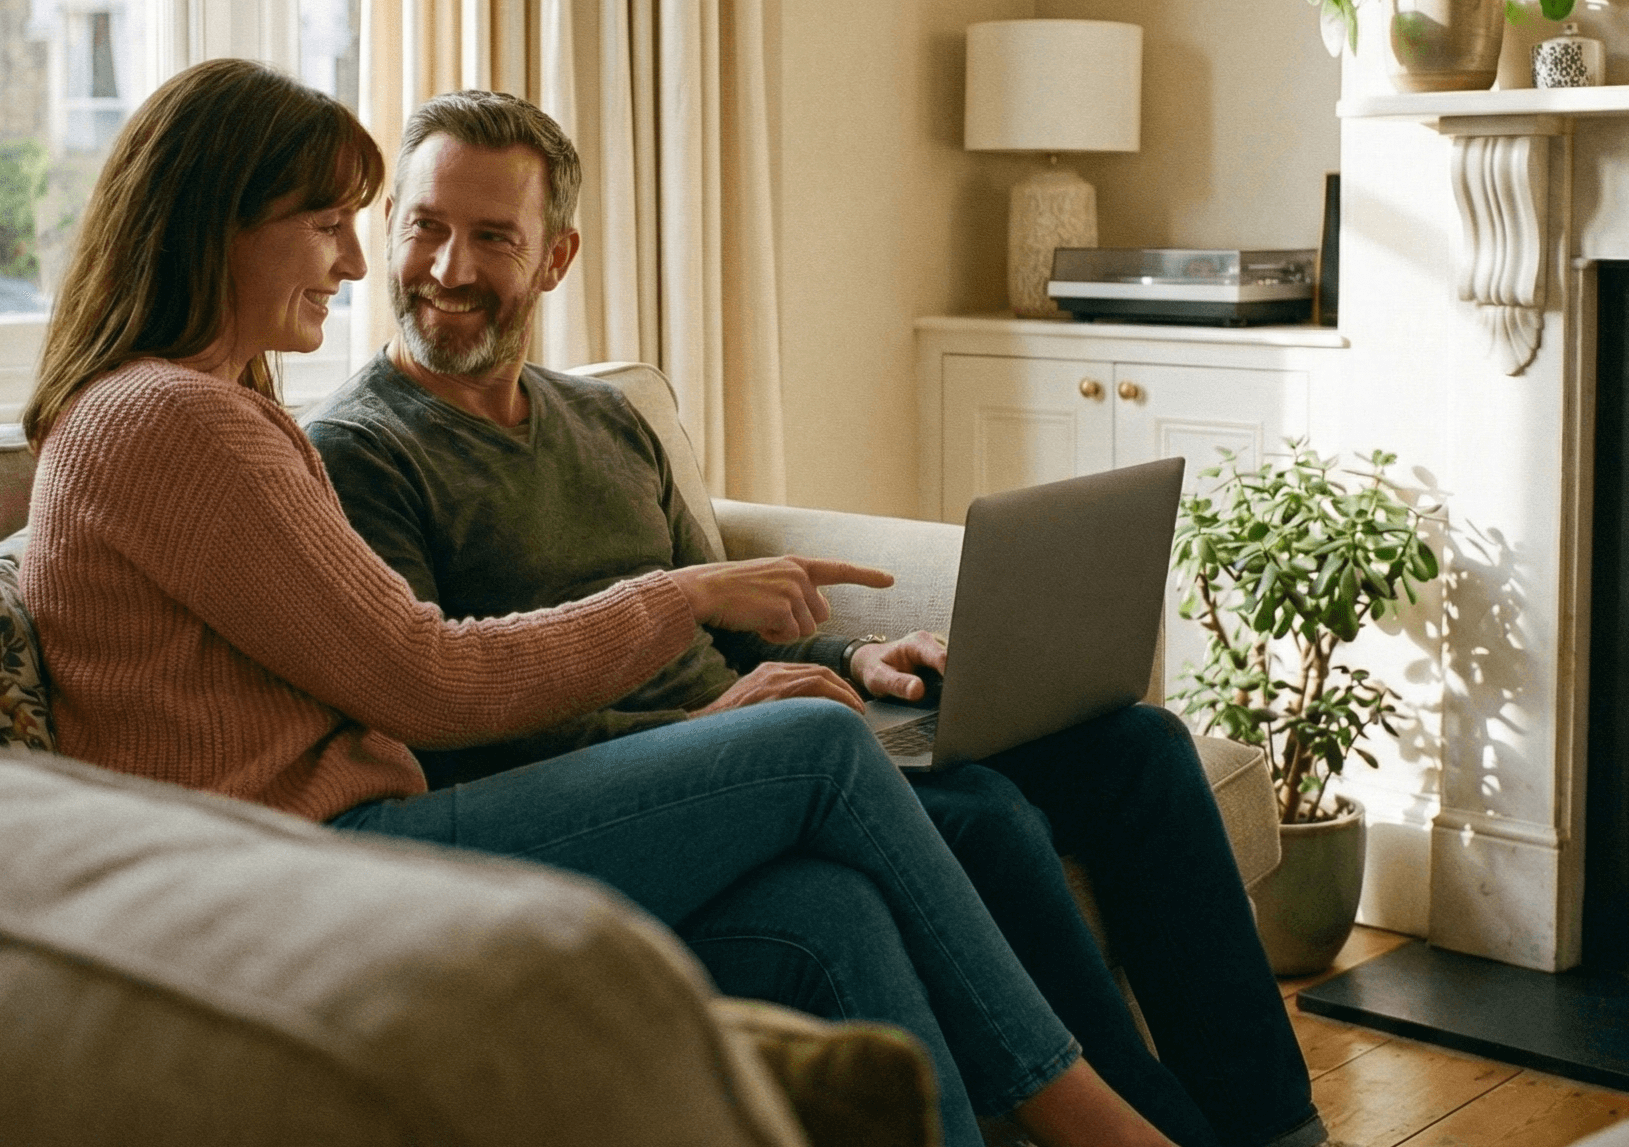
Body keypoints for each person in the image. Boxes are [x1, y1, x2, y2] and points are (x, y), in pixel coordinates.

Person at [19, 58, 1193, 1147]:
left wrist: (780, 636)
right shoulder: (172, 421)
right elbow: (425, 674)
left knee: (826, 907)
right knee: (821, 742)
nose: (356, 263)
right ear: (217, 224)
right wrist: (677, 599)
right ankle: (1105, 1127)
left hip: (342, 839)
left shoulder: (201, 407)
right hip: (308, 868)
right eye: (331, 225)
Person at [305, 89, 1326, 1147]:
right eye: (425, 226)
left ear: (555, 258)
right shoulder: (362, 452)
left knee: (1137, 748)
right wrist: (713, 731)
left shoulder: (605, 419)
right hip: (681, 783)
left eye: (491, 238)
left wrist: (855, 652)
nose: (448, 269)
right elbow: (443, 712)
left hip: (782, 726)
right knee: (982, 815)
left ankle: (1277, 1126)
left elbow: (722, 620)